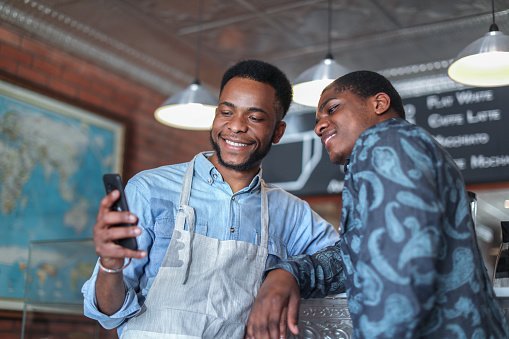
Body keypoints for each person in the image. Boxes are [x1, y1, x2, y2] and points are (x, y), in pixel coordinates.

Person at [81, 59, 339, 338]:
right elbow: (108, 314)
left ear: (278, 131)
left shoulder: (292, 214)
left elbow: (347, 261)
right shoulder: (149, 188)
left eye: (255, 117)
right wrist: (110, 265)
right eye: (227, 112)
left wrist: (288, 273)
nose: (236, 126)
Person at [245, 70, 509, 339]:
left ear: (379, 104)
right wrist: (288, 273)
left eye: (332, 109)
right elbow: (355, 254)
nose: (318, 126)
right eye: (317, 119)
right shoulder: (402, 147)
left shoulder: (385, 141)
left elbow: (400, 275)